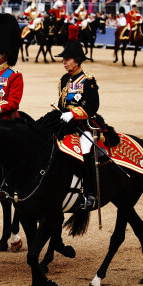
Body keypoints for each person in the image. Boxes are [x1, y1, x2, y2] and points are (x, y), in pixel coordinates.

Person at [55, 24, 99, 210]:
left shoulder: (88, 81)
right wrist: (62, 112)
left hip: (84, 125)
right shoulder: (64, 79)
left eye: (68, 59)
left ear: (78, 61)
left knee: (86, 149)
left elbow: (92, 106)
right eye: (63, 59)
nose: (64, 63)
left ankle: (90, 193)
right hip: (66, 123)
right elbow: (61, 102)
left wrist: (73, 113)